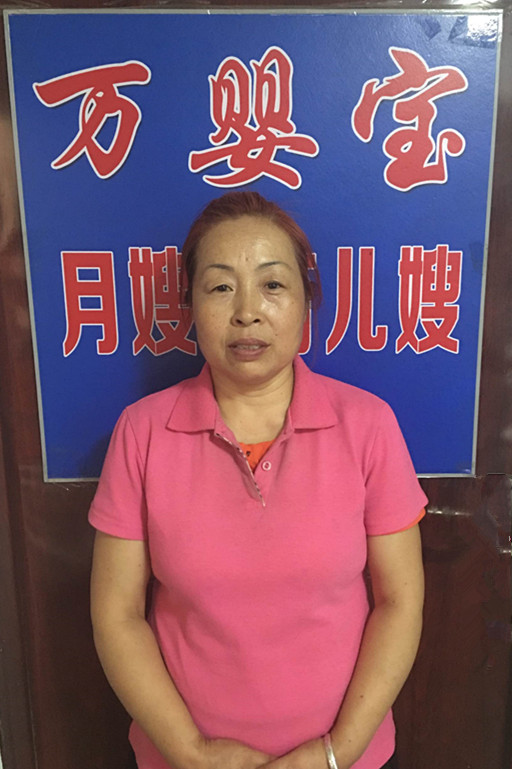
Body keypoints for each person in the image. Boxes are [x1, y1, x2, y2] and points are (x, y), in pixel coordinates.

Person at [89, 191, 427, 769]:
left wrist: (335, 753)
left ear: (306, 302)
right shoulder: (142, 432)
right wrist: (192, 753)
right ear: (190, 305)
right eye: (220, 287)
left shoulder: (368, 425)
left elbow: (400, 602)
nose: (247, 311)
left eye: (272, 284)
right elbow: (116, 615)